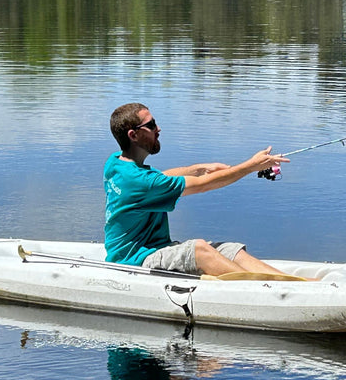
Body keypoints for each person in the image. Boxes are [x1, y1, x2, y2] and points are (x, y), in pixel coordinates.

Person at [104, 102, 290, 277]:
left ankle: (297, 285)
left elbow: (162, 177)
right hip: (133, 259)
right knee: (199, 250)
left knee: (231, 251)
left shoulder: (116, 163)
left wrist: (201, 169)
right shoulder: (143, 182)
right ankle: (266, 292)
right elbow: (203, 185)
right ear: (133, 135)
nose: (158, 129)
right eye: (151, 125)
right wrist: (250, 166)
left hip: (154, 248)